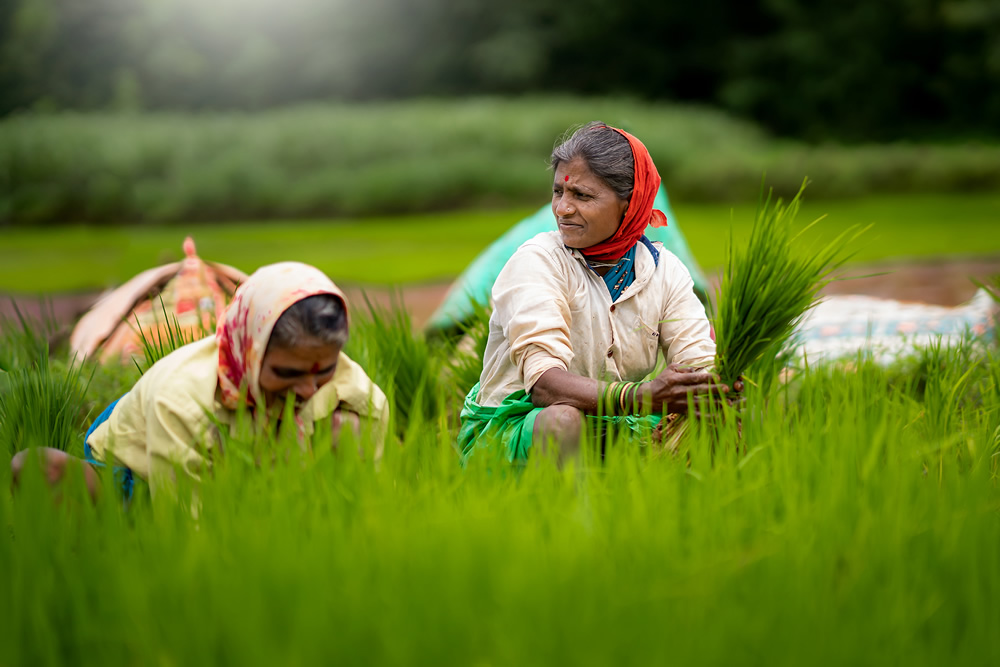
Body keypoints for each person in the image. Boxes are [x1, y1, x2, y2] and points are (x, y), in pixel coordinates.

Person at [458, 122, 740, 464]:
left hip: (618, 424)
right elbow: (545, 386)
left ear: (630, 203)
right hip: (520, 428)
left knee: (715, 417)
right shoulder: (538, 261)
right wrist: (644, 395)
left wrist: (712, 387)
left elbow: (697, 360)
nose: (562, 208)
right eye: (559, 192)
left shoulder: (665, 272)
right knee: (563, 421)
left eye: (582, 195)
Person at [11, 262, 389, 500]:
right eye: (286, 373)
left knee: (348, 428)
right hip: (144, 465)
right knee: (34, 469)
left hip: (255, 467)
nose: (308, 389)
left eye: (322, 370)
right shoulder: (180, 399)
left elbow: (367, 498)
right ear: (250, 352)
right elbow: (183, 525)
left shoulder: (355, 392)